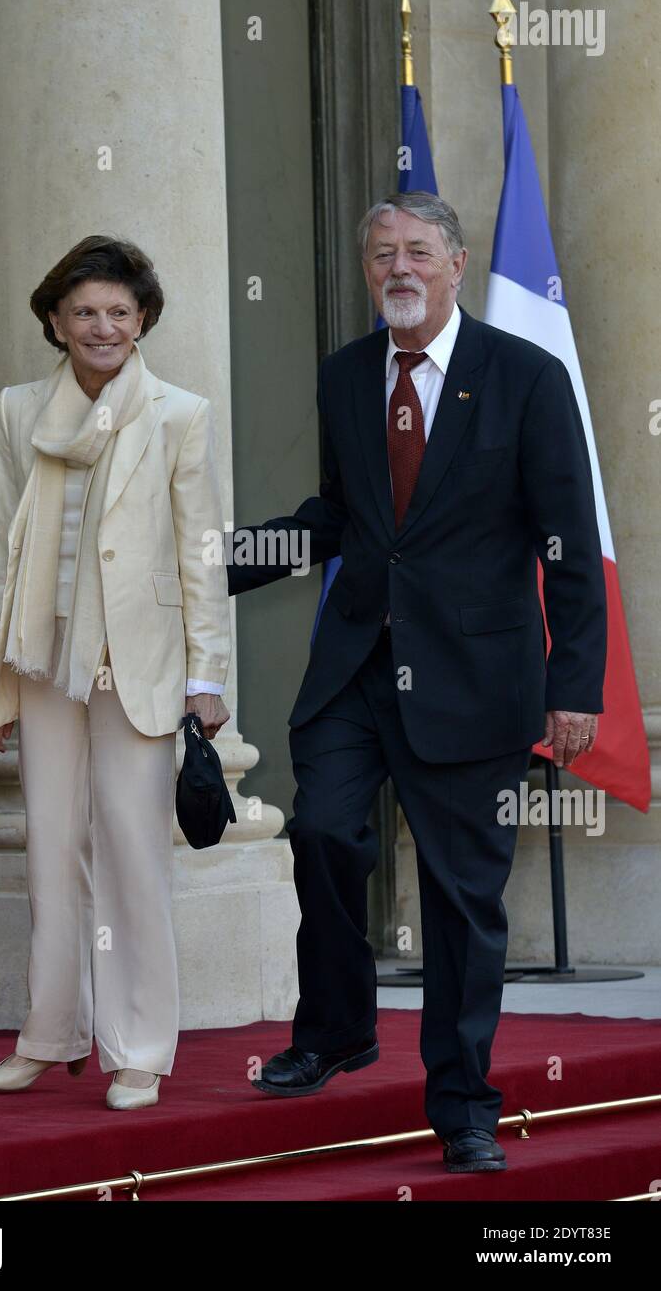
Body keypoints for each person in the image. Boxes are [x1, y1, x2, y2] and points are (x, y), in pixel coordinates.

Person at [227, 191, 606, 1172]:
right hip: (356, 665)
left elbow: (568, 545)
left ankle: (465, 1106)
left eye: (418, 252)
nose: (399, 267)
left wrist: (577, 685)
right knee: (318, 831)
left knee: (459, 903)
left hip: (476, 679)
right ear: (367, 272)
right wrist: (220, 558)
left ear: (457, 263)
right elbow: (346, 516)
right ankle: (340, 1027)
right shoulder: (347, 376)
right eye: (382, 253)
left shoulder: (524, 376)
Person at [0, 235, 231, 1109]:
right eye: (85, 310)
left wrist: (208, 676)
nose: (103, 326)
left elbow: (201, 557)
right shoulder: (15, 411)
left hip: (138, 665)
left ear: (143, 319)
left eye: (120, 311)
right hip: (42, 662)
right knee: (49, 851)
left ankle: (140, 1049)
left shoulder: (180, 414)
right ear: (55, 319)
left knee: (130, 851)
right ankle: (50, 1035)